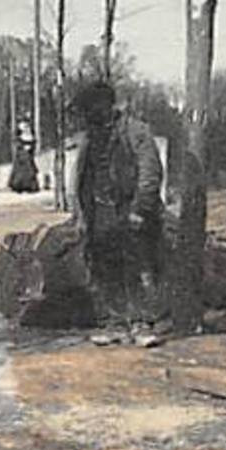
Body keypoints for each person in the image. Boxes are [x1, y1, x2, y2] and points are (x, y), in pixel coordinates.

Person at [71, 81, 164, 348]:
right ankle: (115, 323)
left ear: (105, 106)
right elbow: (81, 178)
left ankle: (141, 324)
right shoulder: (90, 138)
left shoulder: (136, 131)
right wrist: (80, 215)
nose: (88, 115)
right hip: (100, 213)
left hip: (130, 211)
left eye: (91, 109)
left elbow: (150, 173)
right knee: (103, 269)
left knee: (135, 267)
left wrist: (140, 209)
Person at [9, 118, 40, 193]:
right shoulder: (19, 136)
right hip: (21, 156)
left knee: (29, 170)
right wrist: (23, 147)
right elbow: (17, 143)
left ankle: (30, 186)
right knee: (21, 171)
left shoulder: (30, 135)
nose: (26, 128)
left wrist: (31, 147)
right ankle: (19, 186)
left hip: (28, 155)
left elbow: (33, 142)